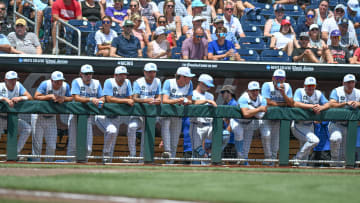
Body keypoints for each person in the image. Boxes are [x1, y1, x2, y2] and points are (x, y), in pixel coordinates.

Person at [95, 66, 134, 163]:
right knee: (112, 131)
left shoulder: (127, 82)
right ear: (115, 75)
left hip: (115, 116)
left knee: (112, 139)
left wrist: (128, 99)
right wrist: (125, 100)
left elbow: (130, 98)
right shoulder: (109, 81)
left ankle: (107, 163)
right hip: (103, 115)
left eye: (125, 74)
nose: (123, 76)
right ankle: (105, 155)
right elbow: (108, 98)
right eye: (120, 75)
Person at [32, 71, 72, 162]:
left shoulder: (65, 86)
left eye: (60, 81)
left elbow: (71, 97)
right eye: (56, 81)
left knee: (52, 145)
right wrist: (49, 96)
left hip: (51, 118)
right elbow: (36, 96)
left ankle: (48, 164)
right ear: (51, 80)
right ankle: (35, 164)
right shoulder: (45, 84)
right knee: (37, 144)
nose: (59, 83)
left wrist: (63, 98)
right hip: (38, 116)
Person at [67, 64, 105, 161]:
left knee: (88, 147)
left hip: (87, 117)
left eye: (90, 74)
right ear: (81, 74)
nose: (88, 76)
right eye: (86, 74)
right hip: (75, 116)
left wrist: (100, 101)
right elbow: (76, 97)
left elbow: (102, 97)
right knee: (73, 145)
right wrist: (91, 99)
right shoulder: (77, 82)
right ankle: (69, 166)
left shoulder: (96, 83)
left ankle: (83, 165)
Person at [291, 77, 330, 166]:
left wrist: (322, 107)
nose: (310, 88)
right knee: (314, 140)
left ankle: (301, 170)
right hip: (298, 125)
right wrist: (311, 106)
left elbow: (328, 104)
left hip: (309, 125)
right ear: (304, 86)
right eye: (308, 86)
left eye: (312, 86)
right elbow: (295, 103)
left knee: (306, 150)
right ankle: (297, 157)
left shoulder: (318, 93)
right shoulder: (299, 91)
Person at [128, 63, 162, 161]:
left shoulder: (158, 81)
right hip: (138, 113)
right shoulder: (138, 82)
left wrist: (158, 100)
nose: (152, 74)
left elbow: (159, 97)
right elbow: (134, 98)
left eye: (154, 72)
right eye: (149, 72)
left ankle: (142, 158)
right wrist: (146, 100)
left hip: (150, 115)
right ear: (145, 72)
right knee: (132, 127)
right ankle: (132, 154)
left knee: (146, 134)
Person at [161, 66, 194, 163]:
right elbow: (165, 100)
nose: (190, 78)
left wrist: (186, 101)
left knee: (174, 142)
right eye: (188, 77)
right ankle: (167, 151)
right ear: (182, 77)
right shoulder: (169, 82)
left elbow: (190, 100)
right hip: (166, 113)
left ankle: (169, 164)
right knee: (166, 129)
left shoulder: (190, 84)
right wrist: (177, 100)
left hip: (177, 115)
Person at [261, 69, 293, 164]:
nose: (279, 80)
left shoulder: (287, 87)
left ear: (284, 79)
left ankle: (272, 162)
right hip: (267, 117)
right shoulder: (267, 85)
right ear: (273, 78)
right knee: (266, 135)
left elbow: (291, 103)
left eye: (281, 78)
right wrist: (283, 104)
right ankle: (268, 158)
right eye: (277, 78)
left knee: (275, 142)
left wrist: (283, 93)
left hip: (278, 119)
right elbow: (266, 101)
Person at [231, 81, 267, 165]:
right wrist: (258, 109)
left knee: (246, 145)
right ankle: (240, 158)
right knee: (239, 135)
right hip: (238, 121)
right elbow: (246, 114)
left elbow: (260, 116)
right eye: (252, 90)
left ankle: (244, 162)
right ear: (248, 91)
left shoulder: (262, 99)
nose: (255, 92)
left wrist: (251, 110)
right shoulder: (243, 98)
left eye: (256, 90)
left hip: (250, 122)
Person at [328, 74, 360, 166]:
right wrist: (345, 103)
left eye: (352, 82)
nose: (350, 84)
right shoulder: (337, 91)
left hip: (349, 126)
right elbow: (331, 104)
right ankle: (333, 161)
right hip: (336, 123)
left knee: (345, 154)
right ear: (343, 83)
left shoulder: (358, 92)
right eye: (348, 82)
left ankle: (341, 173)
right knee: (335, 138)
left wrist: (358, 103)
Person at [0, 71, 32, 155]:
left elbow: (29, 97)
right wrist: (4, 99)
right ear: (6, 79)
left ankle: (15, 152)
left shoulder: (18, 85)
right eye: (11, 80)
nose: (13, 82)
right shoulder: (1, 86)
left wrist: (20, 98)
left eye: (14, 79)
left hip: (13, 118)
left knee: (27, 128)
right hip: (1, 118)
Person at [190, 74, 217, 163]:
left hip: (209, 125)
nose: (209, 87)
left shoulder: (210, 95)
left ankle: (210, 154)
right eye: (207, 85)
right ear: (201, 83)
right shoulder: (192, 93)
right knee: (197, 151)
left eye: (210, 86)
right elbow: (193, 103)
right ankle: (204, 159)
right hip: (196, 125)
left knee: (224, 135)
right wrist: (205, 101)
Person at [220, 85, 238, 158]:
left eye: (223, 92)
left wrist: (225, 134)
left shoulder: (234, 104)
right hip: (227, 139)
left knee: (232, 163)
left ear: (229, 93)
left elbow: (234, 122)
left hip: (232, 140)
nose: (221, 94)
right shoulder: (227, 104)